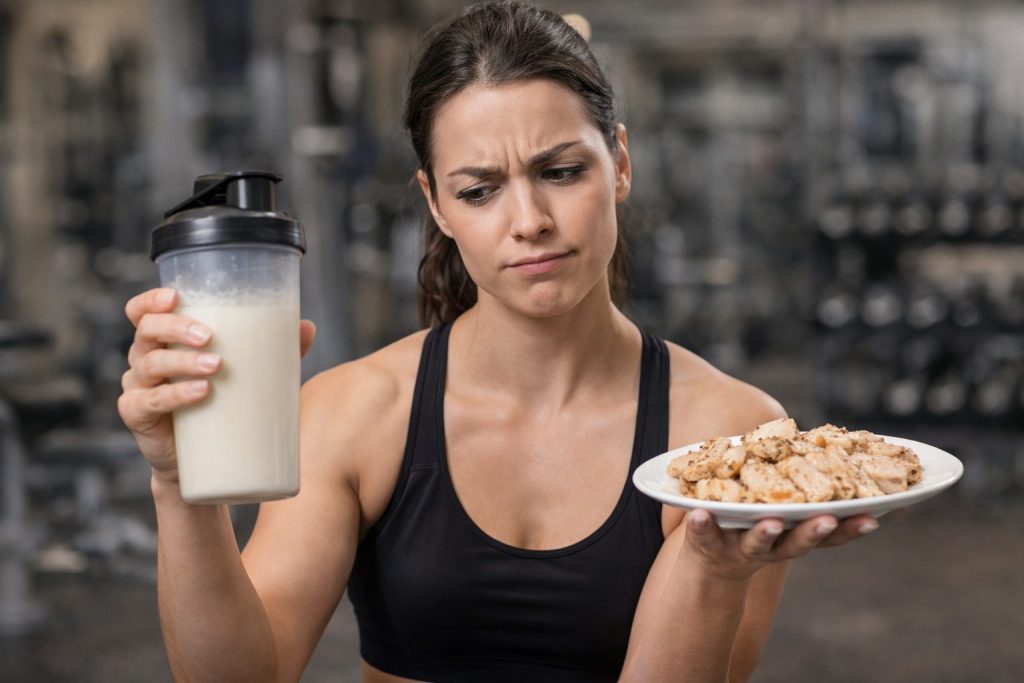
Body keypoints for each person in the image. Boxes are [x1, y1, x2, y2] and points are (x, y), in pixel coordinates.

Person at [117, 2, 879, 681]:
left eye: (561, 170)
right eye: (479, 189)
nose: (529, 221)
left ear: (619, 162)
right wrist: (180, 492)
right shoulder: (356, 412)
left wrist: (714, 567)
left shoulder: (726, 437)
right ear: (436, 203)